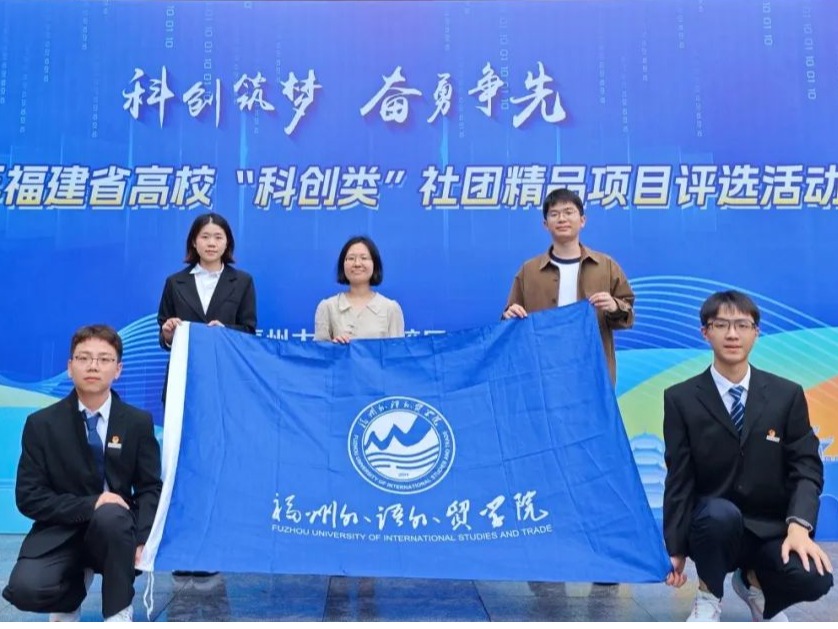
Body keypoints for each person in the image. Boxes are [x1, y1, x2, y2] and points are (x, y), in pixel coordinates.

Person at [663, 290, 833, 621]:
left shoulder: (786, 395)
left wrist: (799, 526)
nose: (732, 334)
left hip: (771, 529)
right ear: (705, 332)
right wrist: (676, 549)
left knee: (815, 577)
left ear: (756, 332)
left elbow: (806, 468)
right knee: (719, 515)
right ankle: (708, 594)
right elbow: (679, 478)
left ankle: (753, 582)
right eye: (721, 325)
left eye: (742, 325)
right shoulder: (680, 399)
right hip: (712, 527)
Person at [2, 325, 162, 622]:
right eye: (84, 358)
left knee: (112, 514)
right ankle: (70, 594)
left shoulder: (138, 422)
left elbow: (150, 487)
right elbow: (29, 497)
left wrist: (143, 538)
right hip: (61, 529)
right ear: (69, 366)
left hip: (115, 531)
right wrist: (91, 504)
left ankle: (118, 612)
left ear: (118, 370)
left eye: (104, 359)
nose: (93, 366)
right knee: (25, 589)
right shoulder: (42, 424)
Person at [157, 212, 256, 578]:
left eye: (218, 237)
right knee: (182, 466)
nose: (212, 243)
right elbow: (163, 333)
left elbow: (249, 330)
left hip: (223, 385)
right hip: (183, 385)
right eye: (205, 236)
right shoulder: (175, 282)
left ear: (227, 243)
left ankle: (214, 547)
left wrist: (224, 332)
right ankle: (182, 548)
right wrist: (169, 332)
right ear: (194, 242)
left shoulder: (241, 282)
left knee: (217, 464)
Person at [502, 188, 634, 386]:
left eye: (568, 212)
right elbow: (508, 321)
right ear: (545, 224)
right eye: (554, 214)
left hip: (592, 373)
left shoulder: (605, 266)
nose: (562, 219)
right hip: (542, 373)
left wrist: (614, 306)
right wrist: (509, 315)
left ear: (582, 220)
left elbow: (628, 315)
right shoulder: (528, 271)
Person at [314, 235, 404, 343]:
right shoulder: (328, 307)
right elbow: (318, 351)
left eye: (364, 258)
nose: (357, 264)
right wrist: (333, 347)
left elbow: (398, 351)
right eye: (351, 258)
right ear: (343, 264)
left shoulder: (390, 308)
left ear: (374, 264)